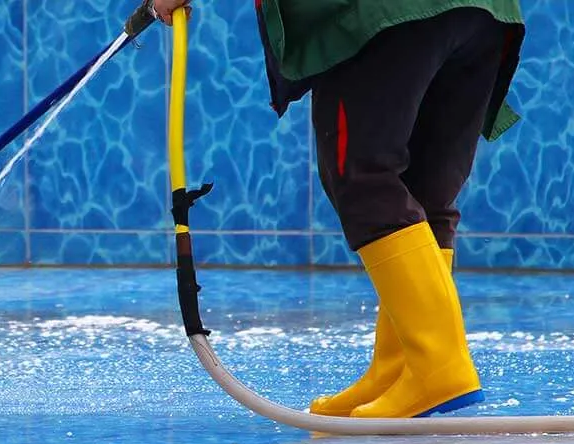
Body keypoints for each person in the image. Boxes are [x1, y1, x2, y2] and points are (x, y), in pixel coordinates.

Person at [151, 0, 525, 419]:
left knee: (363, 174)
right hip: (485, 13)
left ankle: (438, 368)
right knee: (424, 191)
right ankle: (400, 370)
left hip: (380, 13)